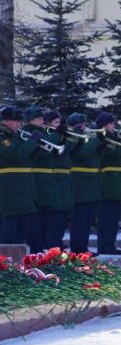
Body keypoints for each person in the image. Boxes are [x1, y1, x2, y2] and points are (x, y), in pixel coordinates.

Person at [0, 105, 41, 248]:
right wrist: (32, 142)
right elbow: (16, 155)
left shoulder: (16, 136)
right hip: (10, 189)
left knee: (20, 231)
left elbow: (27, 157)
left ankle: (18, 263)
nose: (19, 124)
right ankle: (5, 263)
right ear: (7, 121)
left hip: (22, 190)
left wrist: (34, 144)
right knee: (9, 230)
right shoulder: (3, 137)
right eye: (17, 121)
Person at [22, 106, 59, 251]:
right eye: (38, 119)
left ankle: (41, 245)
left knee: (44, 216)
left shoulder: (42, 132)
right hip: (37, 177)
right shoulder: (29, 131)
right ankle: (36, 247)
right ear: (31, 120)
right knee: (36, 217)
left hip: (46, 179)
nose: (42, 121)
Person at [67, 112, 102, 253]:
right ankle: (77, 247)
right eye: (81, 125)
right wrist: (96, 140)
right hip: (79, 182)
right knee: (79, 217)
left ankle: (84, 246)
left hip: (90, 182)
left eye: (85, 124)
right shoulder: (72, 138)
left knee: (87, 218)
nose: (84, 127)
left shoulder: (86, 139)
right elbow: (84, 153)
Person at [42, 110, 76, 249]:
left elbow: (68, 150)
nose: (59, 125)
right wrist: (58, 134)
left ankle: (58, 242)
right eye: (56, 122)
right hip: (54, 178)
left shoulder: (59, 136)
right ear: (49, 123)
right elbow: (49, 146)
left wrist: (71, 138)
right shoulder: (47, 134)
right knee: (56, 213)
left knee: (62, 214)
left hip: (64, 179)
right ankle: (53, 243)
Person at [94, 112, 121, 255]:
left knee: (113, 217)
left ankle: (110, 244)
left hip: (116, 182)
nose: (114, 126)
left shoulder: (113, 138)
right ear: (104, 125)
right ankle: (104, 245)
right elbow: (111, 155)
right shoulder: (102, 138)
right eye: (111, 123)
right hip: (107, 180)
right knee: (106, 216)